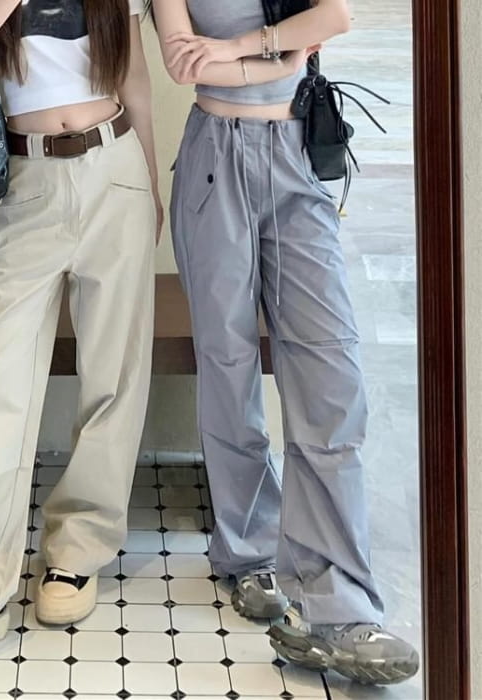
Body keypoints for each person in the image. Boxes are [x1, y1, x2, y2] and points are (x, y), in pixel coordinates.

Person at [149, 0, 419, 685]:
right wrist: (276, 52)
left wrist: (237, 50)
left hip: (297, 156)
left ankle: (343, 604)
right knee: (228, 365)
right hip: (213, 162)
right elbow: (184, 64)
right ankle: (249, 553)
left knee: (331, 374)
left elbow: (334, 19)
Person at [0, 0, 162, 675]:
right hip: (30, 182)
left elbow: (134, 77)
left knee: (115, 376)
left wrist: (150, 181)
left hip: (116, 168)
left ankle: (78, 552)